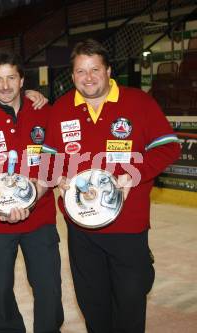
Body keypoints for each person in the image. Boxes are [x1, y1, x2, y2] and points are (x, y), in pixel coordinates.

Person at [44, 39, 181, 333]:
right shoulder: (62, 108)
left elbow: (168, 147)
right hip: (81, 227)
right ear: (73, 74)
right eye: (81, 71)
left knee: (130, 303)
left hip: (128, 226)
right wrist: (57, 178)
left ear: (108, 71)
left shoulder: (138, 102)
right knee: (92, 302)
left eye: (95, 69)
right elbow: (48, 159)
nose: (88, 77)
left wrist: (134, 173)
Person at [0, 50, 64, 333]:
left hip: (40, 217)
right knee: (1, 290)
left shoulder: (45, 112)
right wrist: (1, 205)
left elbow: (55, 161)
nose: (5, 86)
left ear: (22, 81)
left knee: (48, 286)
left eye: (11, 78)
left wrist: (36, 193)